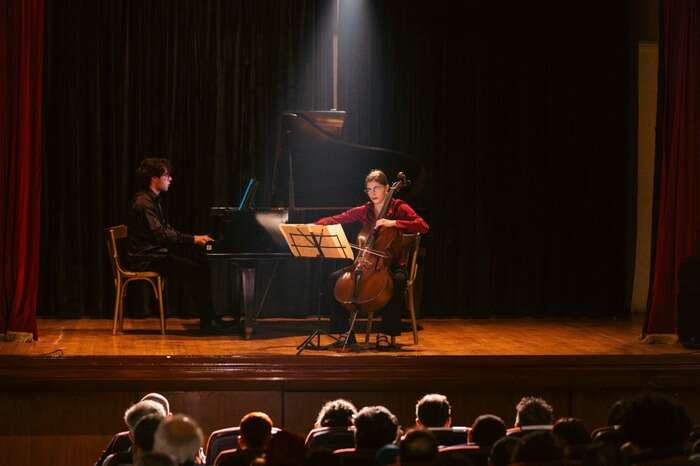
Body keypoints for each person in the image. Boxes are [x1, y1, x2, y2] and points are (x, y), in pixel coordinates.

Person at [314, 169, 429, 350]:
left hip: (391, 264)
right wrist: (312, 226)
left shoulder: (399, 207)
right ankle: (345, 333)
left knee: (398, 281)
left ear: (386, 188)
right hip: (366, 263)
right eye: (369, 189)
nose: (373, 193)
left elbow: (422, 226)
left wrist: (394, 223)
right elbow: (339, 218)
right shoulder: (366, 210)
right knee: (333, 280)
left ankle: (385, 333)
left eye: (376, 188)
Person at [127, 157, 232, 333]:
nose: (170, 179)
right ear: (154, 178)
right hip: (147, 258)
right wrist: (193, 239)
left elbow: (165, 230)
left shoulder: (151, 200)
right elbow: (160, 235)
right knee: (198, 270)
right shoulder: (144, 203)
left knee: (201, 265)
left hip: (155, 254)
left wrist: (194, 238)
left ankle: (210, 318)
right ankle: (208, 324)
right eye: (166, 175)